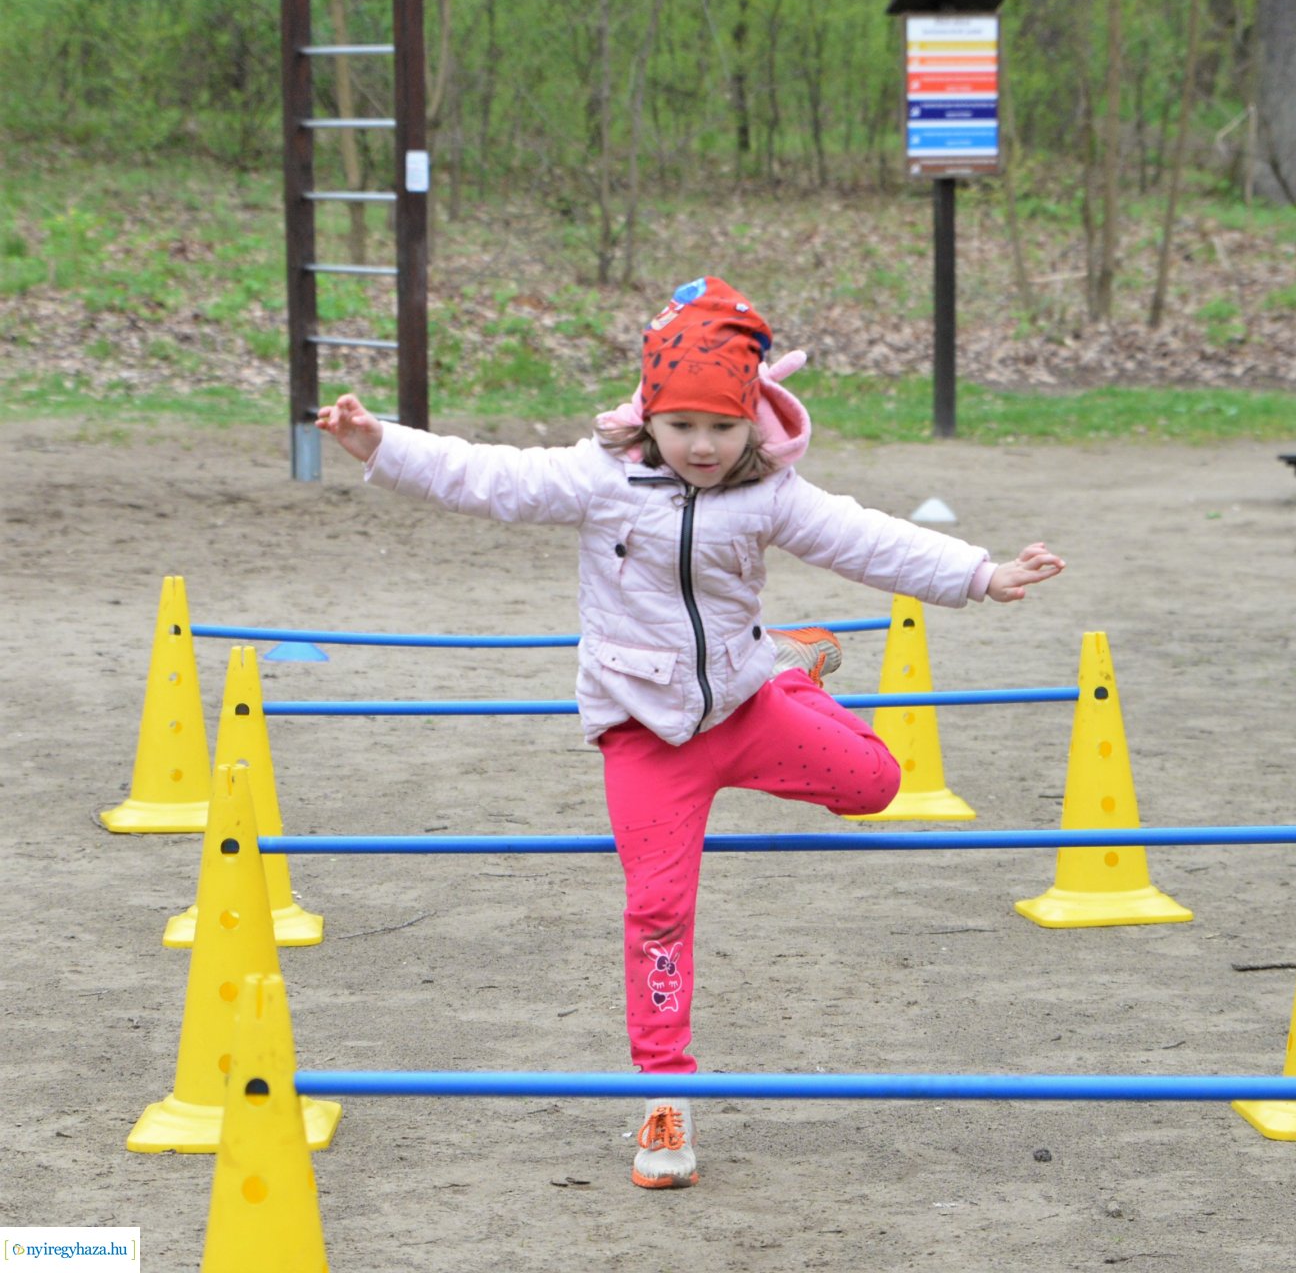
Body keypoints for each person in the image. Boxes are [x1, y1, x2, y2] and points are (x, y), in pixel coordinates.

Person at [316, 275, 1064, 1190]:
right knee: (659, 914)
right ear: (648, 417)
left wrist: (980, 574)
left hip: (744, 707)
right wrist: (378, 442)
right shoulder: (600, 481)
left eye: (722, 427)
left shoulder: (773, 494)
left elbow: (867, 539)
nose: (703, 447)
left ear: (754, 419)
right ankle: (664, 1105)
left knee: (877, 784)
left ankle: (791, 667)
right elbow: (487, 476)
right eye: (682, 428)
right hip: (644, 732)